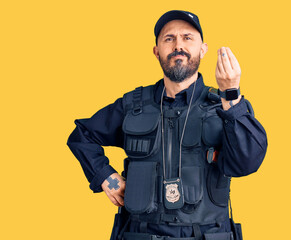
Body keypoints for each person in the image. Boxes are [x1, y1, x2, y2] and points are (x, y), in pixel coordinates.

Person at [67, 10, 268, 240]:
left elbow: (247, 163)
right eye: (169, 39)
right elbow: (82, 134)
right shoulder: (132, 105)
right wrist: (105, 176)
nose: (178, 45)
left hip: (208, 233)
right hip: (140, 234)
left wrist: (231, 95)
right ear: (157, 51)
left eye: (187, 37)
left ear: (203, 49)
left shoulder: (225, 106)